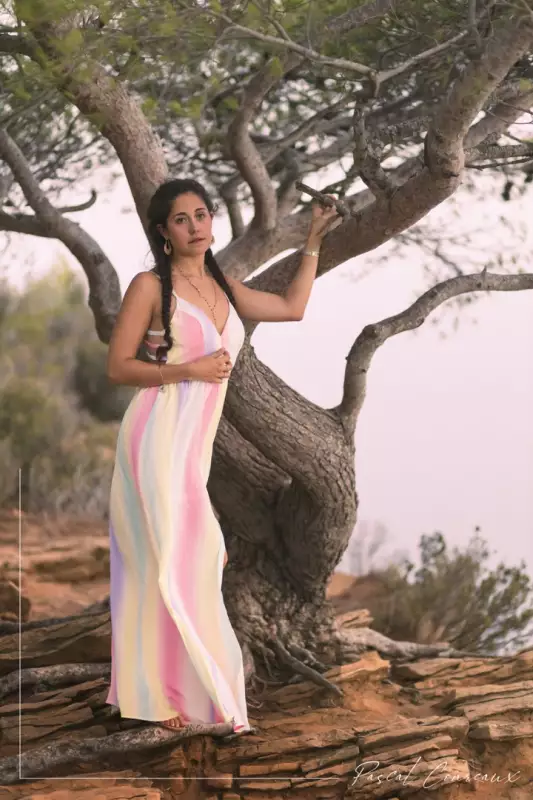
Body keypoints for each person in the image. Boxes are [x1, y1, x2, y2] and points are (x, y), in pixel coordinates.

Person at [104, 178, 340, 735]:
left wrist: (312, 239)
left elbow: (292, 306)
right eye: (181, 219)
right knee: (166, 561)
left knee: (197, 560)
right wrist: (186, 369)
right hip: (155, 435)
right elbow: (118, 367)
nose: (196, 225)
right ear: (164, 233)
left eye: (202, 214)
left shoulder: (225, 287)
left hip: (193, 448)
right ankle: (156, 699)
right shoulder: (148, 286)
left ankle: (180, 695)